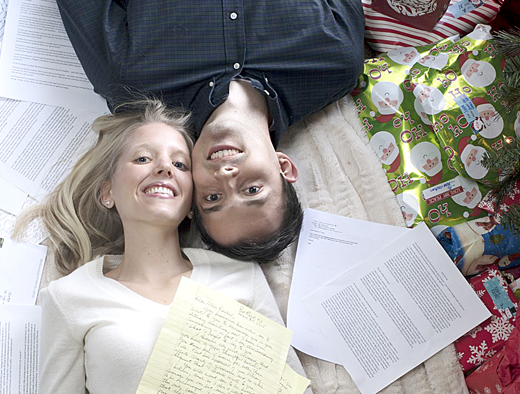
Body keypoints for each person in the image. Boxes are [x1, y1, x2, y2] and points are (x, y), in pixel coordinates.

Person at [18, 99, 310, 394]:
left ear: (192, 204)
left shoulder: (241, 275)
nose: (164, 168)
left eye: (180, 164)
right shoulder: (68, 298)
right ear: (108, 192)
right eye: (143, 159)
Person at [56, 0, 365, 262]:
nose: (227, 175)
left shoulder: (129, 81)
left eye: (213, 197)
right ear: (284, 166)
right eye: (252, 190)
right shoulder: (336, 63)